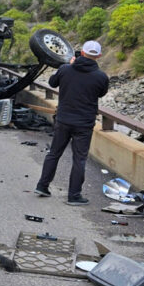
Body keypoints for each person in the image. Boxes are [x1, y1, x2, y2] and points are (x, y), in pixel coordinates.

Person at [34, 40, 109, 205]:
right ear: (99, 56)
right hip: (84, 123)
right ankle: (74, 196)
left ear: (81, 52)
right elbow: (102, 93)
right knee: (79, 159)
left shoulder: (66, 69)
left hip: (63, 119)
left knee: (54, 153)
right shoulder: (101, 76)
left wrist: (68, 66)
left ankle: (42, 185)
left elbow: (52, 83)